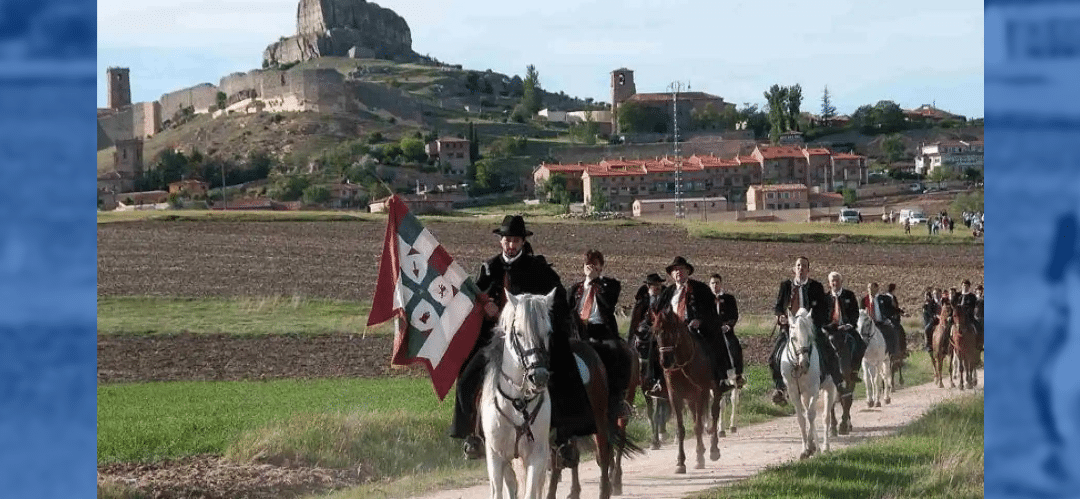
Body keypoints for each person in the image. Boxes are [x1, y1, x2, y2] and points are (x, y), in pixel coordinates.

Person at [449, 215, 593, 462]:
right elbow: (474, 300)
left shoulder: (538, 267)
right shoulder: (489, 268)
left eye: (516, 240)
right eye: (507, 240)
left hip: (532, 338)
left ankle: (565, 438)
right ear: (501, 241)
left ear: (523, 242)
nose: (511, 245)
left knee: (564, 371)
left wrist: (540, 314)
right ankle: (472, 435)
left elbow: (557, 298)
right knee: (466, 378)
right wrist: (485, 308)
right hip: (496, 339)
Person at [768, 256, 846, 406]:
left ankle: (838, 382)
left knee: (829, 350)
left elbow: (824, 309)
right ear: (794, 269)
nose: (801, 269)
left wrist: (813, 322)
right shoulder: (785, 286)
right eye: (798, 266)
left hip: (810, 328)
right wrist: (781, 317)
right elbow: (778, 307)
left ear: (808, 270)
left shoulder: (816, 286)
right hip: (790, 328)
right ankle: (780, 389)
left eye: (804, 266)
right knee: (773, 357)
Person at [655, 256, 733, 390]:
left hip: (694, 329)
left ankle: (719, 378)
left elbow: (711, 311)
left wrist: (700, 320)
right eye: (675, 270)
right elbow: (659, 313)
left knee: (712, 342)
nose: (678, 272)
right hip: (672, 331)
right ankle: (657, 381)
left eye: (681, 269)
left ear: (688, 272)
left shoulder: (701, 289)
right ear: (671, 274)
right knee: (655, 346)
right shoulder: (667, 292)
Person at [568, 250, 630, 417]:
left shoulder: (611, 285)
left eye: (595, 264)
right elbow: (566, 311)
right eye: (588, 264)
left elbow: (608, 304)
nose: (591, 267)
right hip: (578, 332)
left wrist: (595, 282)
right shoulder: (575, 288)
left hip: (602, 330)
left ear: (601, 267)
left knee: (615, 351)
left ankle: (617, 399)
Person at [823, 271, 865, 382]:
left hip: (847, 328)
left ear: (841, 282)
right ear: (829, 283)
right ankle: (822, 371)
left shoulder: (849, 295)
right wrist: (829, 326)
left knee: (861, 344)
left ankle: (854, 371)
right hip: (830, 330)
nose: (835, 283)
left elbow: (855, 312)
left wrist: (849, 324)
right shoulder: (825, 298)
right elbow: (821, 317)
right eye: (833, 281)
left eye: (837, 280)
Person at [630, 273, 667, 395]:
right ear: (648, 286)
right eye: (652, 285)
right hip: (645, 334)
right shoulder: (642, 301)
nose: (656, 287)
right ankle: (645, 377)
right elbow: (635, 320)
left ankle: (661, 379)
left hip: (663, 331)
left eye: (658, 285)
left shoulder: (666, 300)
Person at [708, 273, 744, 388]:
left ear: (721, 284)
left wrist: (728, 325)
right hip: (711, 333)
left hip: (726, 331)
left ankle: (738, 375)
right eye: (712, 283)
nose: (715, 285)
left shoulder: (729, 298)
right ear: (709, 285)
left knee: (734, 347)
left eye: (717, 283)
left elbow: (734, 315)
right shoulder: (706, 299)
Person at [861, 282, 899, 358]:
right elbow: (860, 313)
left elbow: (892, 310)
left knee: (892, 332)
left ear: (877, 288)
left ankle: (893, 354)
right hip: (868, 325)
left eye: (872, 288)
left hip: (881, 323)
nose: (870, 290)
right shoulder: (864, 300)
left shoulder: (884, 299)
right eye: (868, 288)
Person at [884, 283, 908, 357]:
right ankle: (901, 350)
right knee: (901, 332)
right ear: (893, 289)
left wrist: (902, 312)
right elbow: (894, 308)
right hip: (892, 319)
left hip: (887, 318)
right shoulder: (891, 297)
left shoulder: (884, 296)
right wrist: (902, 313)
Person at [922, 287, 940, 352]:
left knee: (926, 330)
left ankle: (928, 345)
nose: (925, 297)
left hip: (932, 319)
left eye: (926, 296)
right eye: (925, 296)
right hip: (927, 320)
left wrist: (934, 316)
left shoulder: (932, 302)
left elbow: (932, 311)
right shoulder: (925, 304)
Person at [973, 284, 984, 351]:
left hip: (982, 317)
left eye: (980, 290)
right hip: (975, 317)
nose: (979, 291)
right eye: (978, 290)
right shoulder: (974, 298)